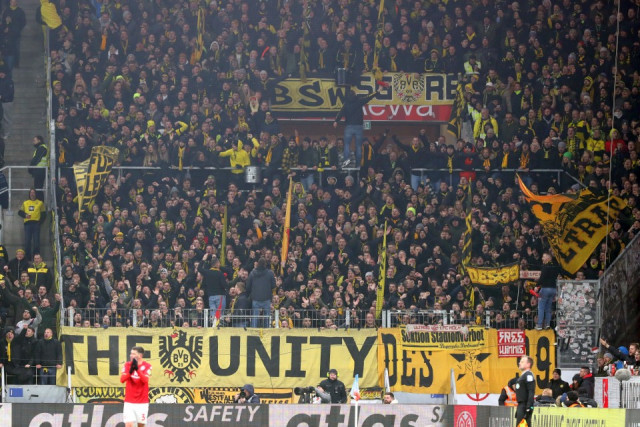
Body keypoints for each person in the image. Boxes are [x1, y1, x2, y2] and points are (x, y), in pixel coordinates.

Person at [333, 88, 379, 168]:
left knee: (346, 145)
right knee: (358, 146)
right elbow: (369, 97)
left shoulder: (346, 104)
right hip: (359, 126)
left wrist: (336, 121)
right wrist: (377, 91)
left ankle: (346, 162)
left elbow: (341, 112)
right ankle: (358, 165)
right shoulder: (359, 101)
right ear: (355, 95)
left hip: (349, 126)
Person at [120, 346, 152, 427]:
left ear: (140, 355)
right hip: (129, 402)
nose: (131, 355)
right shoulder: (127, 365)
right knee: (129, 424)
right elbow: (122, 380)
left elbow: (145, 380)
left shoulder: (147, 366)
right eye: (131, 353)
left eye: (133, 354)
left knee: (140, 425)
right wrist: (130, 371)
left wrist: (137, 370)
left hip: (142, 402)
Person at [247, 258, 275, 328]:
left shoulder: (252, 273)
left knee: (255, 317)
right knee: (267, 317)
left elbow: (248, 286)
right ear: (265, 264)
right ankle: (267, 330)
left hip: (255, 298)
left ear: (257, 264)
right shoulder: (270, 273)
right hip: (266, 298)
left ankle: (253, 330)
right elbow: (273, 285)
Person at [18, 189, 45, 260]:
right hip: (27, 224)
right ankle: (28, 258)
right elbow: (20, 212)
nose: (32, 194)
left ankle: (36, 258)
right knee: (27, 242)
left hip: (36, 224)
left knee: (36, 242)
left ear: (36, 194)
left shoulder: (40, 203)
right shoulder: (25, 203)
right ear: (29, 194)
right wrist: (25, 215)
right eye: (31, 193)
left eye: (33, 193)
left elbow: (43, 214)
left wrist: (40, 222)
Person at [536, 252, 560, 330]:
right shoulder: (555, 266)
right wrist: (573, 276)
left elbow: (542, 277)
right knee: (548, 308)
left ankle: (539, 325)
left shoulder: (545, 266)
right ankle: (547, 324)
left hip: (545, 289)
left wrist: (536, 285)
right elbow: (563, 272)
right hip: (553, 289)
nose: (542, 258)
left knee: (541, 307)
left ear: (548, 258)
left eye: (543, 257)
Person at [514, 355, 535, 427]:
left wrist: (528, 407)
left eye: (522, 362)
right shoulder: (523, 375)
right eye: (520, 361)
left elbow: (531, 391)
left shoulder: (529, 375)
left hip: (525, 405)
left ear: (528, 364)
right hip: (521, 405)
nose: (519, 363)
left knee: (522, 425)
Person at [28, 136, 48, 200]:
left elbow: (36, 159)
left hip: (40, 170)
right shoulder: (41, 148)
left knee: (38, 188)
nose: (33, 142)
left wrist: (30, 168)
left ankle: (40, 202)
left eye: (35, 140)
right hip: (39, 170)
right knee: (38, 188)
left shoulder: (42, 148)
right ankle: (39, 201)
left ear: (39, 140)